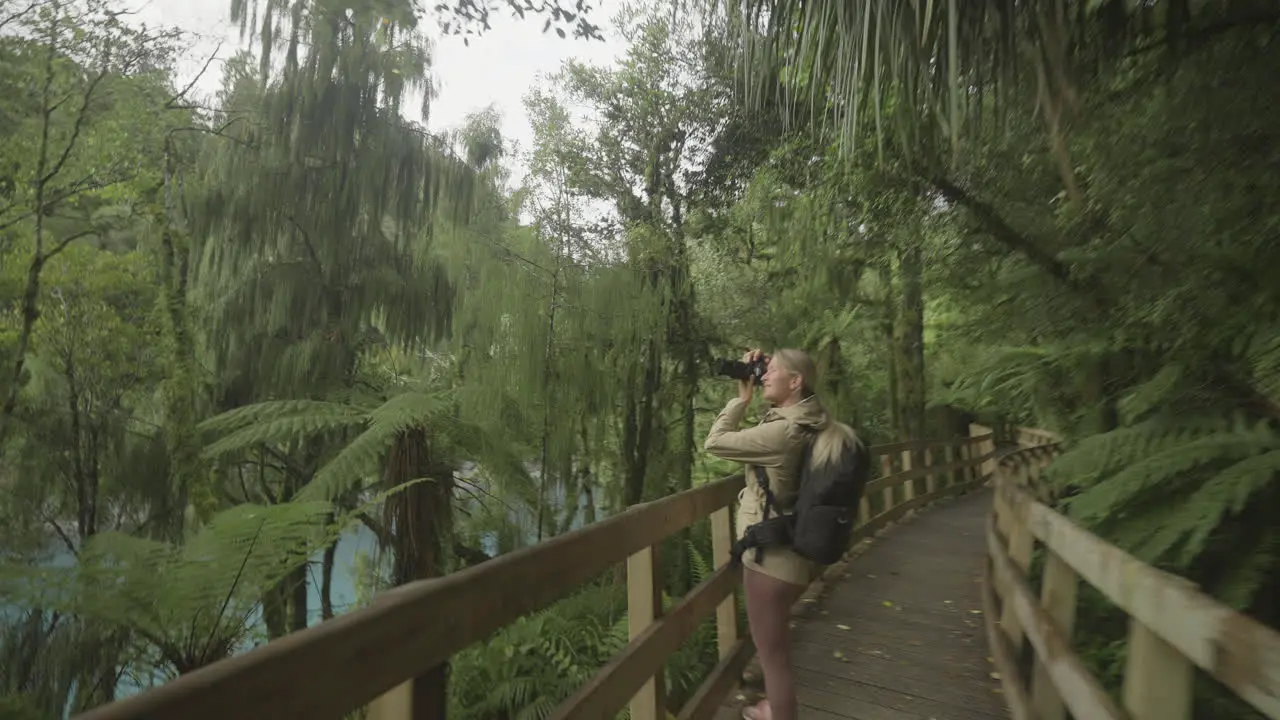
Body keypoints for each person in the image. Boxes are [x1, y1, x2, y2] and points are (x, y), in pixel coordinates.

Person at [704, 347, 837, 720]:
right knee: (777, 648)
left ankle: (779, 714)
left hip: (770, 562)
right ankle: (771, 709)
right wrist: (768, 368)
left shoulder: (782, 433)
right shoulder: (814, 420)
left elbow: (715, 441)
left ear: (795, 381)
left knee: (773, 659)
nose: (762, 375)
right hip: (793, 553)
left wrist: (740, 401)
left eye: (770, 371)